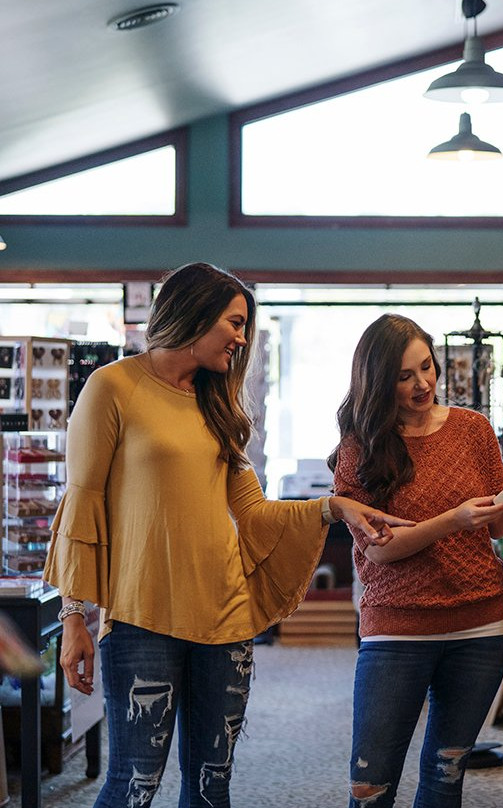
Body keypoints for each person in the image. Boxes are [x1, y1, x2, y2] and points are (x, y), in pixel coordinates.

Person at [43, 263, 412, 808]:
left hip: (226, 620)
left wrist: (335, 507)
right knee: (133, 784)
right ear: (195, 313)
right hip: (142, 619)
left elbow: (256, 514)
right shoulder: (112, 387)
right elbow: (82, 503)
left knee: (212, 787)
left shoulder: (219, 407)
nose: (241, 339)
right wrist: (74, 615)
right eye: (234, 323)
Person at [328, 314, 503, 808]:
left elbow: (491, 527)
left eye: (427, 367)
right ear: (378, 382)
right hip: (396, 629)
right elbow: (377, 548)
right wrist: (452, 520)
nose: (423, 384)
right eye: (404, 376)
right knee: (370, 783)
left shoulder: (473, 429)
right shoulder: (361, 446)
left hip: (480, 626)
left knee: (446, 777)